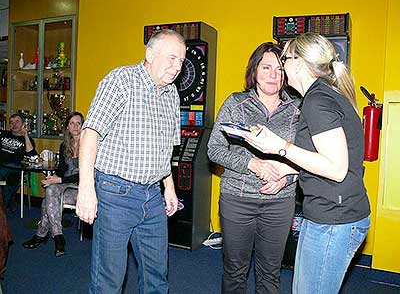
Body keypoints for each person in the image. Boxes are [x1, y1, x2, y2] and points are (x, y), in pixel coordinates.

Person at [245, 33, 371, 294]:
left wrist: (280, 146)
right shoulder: (326, 95)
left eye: (284, 59)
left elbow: (337, 169)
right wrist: (288, 168)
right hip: (334, 215)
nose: (281, 66)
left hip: (333, 220)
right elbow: (331, 156)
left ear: (299, 64)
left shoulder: (317, 101)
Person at [76, 29, 185, 294]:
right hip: (115, 193)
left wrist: (168, 187)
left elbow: (165, 149)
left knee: (157, 277)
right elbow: (90, 133)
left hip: (152, 196)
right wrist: (86, 189)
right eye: (172, 58)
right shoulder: (121, 80)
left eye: (181, 61)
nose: (177, 67)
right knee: (109, 280)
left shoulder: (171, 94)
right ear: (150, 54)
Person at [207, 42, 301, 294]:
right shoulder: (236, 104)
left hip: (280, 202)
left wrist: (286, 178)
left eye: (280, 69)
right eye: (266, 67)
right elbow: (213, 150)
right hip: (237, 200)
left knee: (270, 272)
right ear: (254, 70)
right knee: (235, 270)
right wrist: (252, 164)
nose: (273, 74)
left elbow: (311, 157)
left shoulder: (297, 109)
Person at [22, 112, 84, 257]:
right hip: (64, 186)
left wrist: (60, 181)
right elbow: (62, 170)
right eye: (71, 123)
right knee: (50, 190)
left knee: (47, 200)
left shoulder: (89, 145)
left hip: (82, 189)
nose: (75, 126)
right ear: (67, 127)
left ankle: (42, 234)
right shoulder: (64, 146)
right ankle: (58, 236)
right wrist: (53, 177)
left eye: (78, 123)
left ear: (82, 126)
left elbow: (87, 174)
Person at [0, 113, 37, 212]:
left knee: (11, 180)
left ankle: (3, 207)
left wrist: (25, 136)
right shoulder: (3, 134)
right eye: (11, 122)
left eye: (17, 122)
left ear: (22, 124)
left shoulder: (27, 140)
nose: (14, 124)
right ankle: (8, 202)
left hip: (15, 170)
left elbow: (32, 156)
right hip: (1, 166)